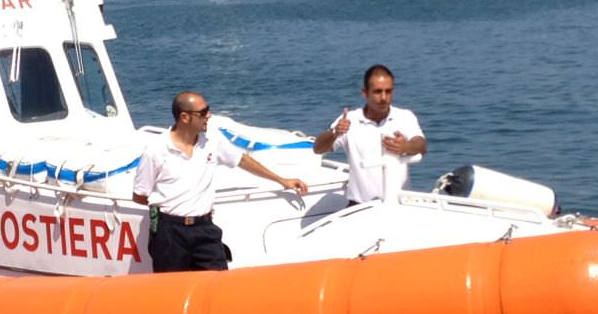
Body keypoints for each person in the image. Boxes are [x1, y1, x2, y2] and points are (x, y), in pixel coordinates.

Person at [133, 91, 309, 272]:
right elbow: (139, 195)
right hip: (170, 233)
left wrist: (282, 180)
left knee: (218, 283)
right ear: (184, 117)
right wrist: (171, 209)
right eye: (203, 112)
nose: (208, 115)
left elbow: (241, 160)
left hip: (205, 229)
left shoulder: (212, 139)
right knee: (172, 289)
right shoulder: (156, 150)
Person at [311, 64, 427, 205]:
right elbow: (318, 149)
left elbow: (421, 145)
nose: (384, 97)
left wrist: (405, 147)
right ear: (365, 93)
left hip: (400, 204)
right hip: (360, 207)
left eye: (388, 91)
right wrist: (335, 133)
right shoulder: (349, 120)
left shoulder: (404, 117)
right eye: (378, 92)